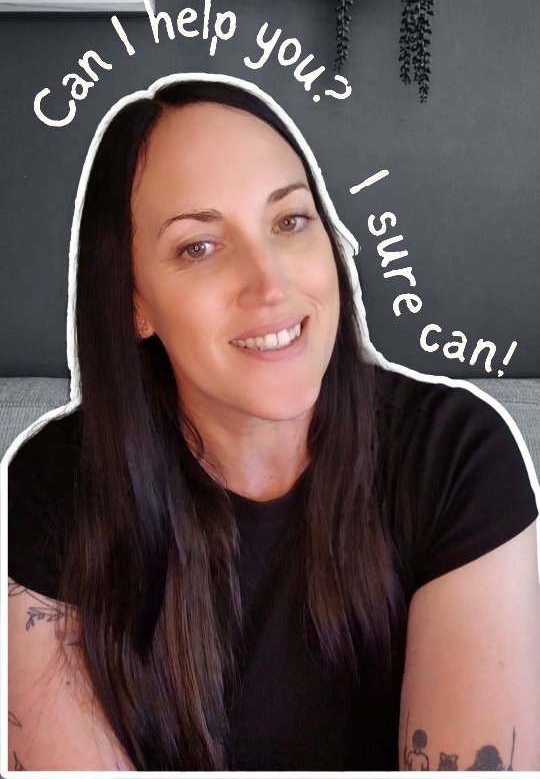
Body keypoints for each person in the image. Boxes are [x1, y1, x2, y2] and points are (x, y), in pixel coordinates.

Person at [6, 75, 540, 772]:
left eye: (289, 221)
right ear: (135, 302)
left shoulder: (457, 456)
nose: (270, 285)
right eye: (199, 247)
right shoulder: (49, 489)